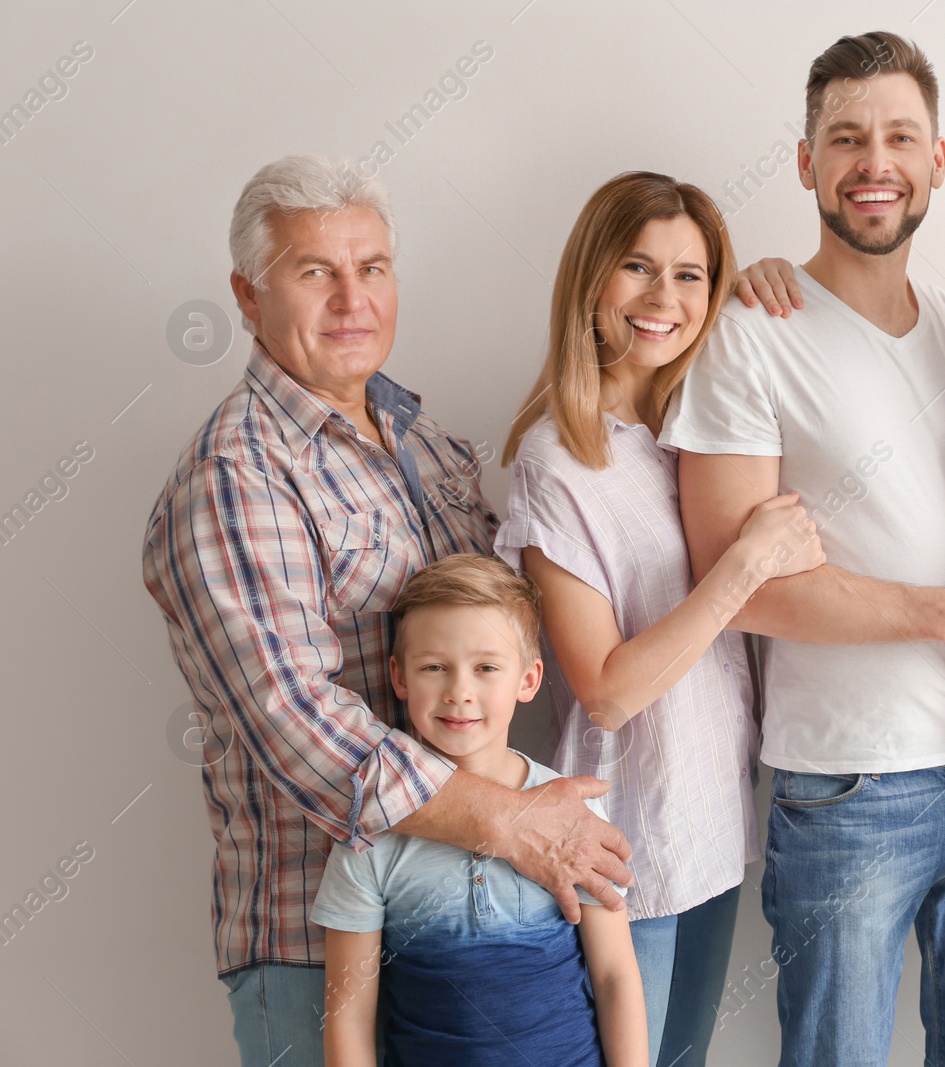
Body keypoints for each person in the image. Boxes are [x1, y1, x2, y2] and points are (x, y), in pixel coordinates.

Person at [660, 31, 945, 1067]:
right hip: (851, 788)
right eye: (847, 137)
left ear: (939, 160)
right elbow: (740, 588)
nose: (876, 162)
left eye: (901, 136)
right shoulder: (749, 331)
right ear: (808, 161)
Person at [141, 155, 630, 1067]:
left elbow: (509, 634)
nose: (349, 298)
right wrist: (514, 821)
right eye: (313, 271)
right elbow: (295, 717)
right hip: (313, 945)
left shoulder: (429, 444)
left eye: (370, 268)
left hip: (478, 938)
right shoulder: (236, 474)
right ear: (247, 295)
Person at [494, 171, 823, 1067]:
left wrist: (752, 288)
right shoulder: (555, 461)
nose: (663, 298)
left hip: (714, 821)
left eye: (690, 275)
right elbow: (604, 690)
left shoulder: (688, 429)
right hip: (623, 839)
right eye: (637, 268)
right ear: (591, 282)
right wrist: (746, 563)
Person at [314, 554, 647, 1067]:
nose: (459, 692)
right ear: (399, 678)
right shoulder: (372, 832)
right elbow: (350, 1015)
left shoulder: (571, 817)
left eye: (486, 667)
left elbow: (615, 978)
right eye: (434, 667)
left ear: (529, 679)